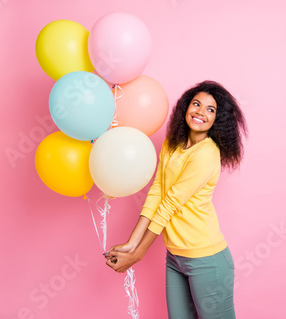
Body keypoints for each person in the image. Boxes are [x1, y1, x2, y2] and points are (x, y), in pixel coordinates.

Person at [104, 80, 248, 318]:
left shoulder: (207, 154)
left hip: (206, 259)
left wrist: (137, 255)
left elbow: (170, 203)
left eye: (210, 109)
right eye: (196, 104)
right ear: (185, 107)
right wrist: (131, 243)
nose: (201, 112)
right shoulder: (172, 143)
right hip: (175, 257)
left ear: (217, 120)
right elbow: (158, 191)